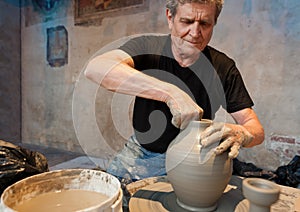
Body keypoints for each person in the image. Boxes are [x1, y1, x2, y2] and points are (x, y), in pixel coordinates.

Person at [84, 0, 264, 182]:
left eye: (204, 24)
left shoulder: (223, 67)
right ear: (170, 18)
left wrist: (242, 133)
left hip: (194, 157)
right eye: (187, 21)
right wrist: (169, 93)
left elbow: (255, 128)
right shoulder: (148, 47)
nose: (195, 33)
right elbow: (96, 68)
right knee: (112, 196)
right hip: (141, 152)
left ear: (214, 24)